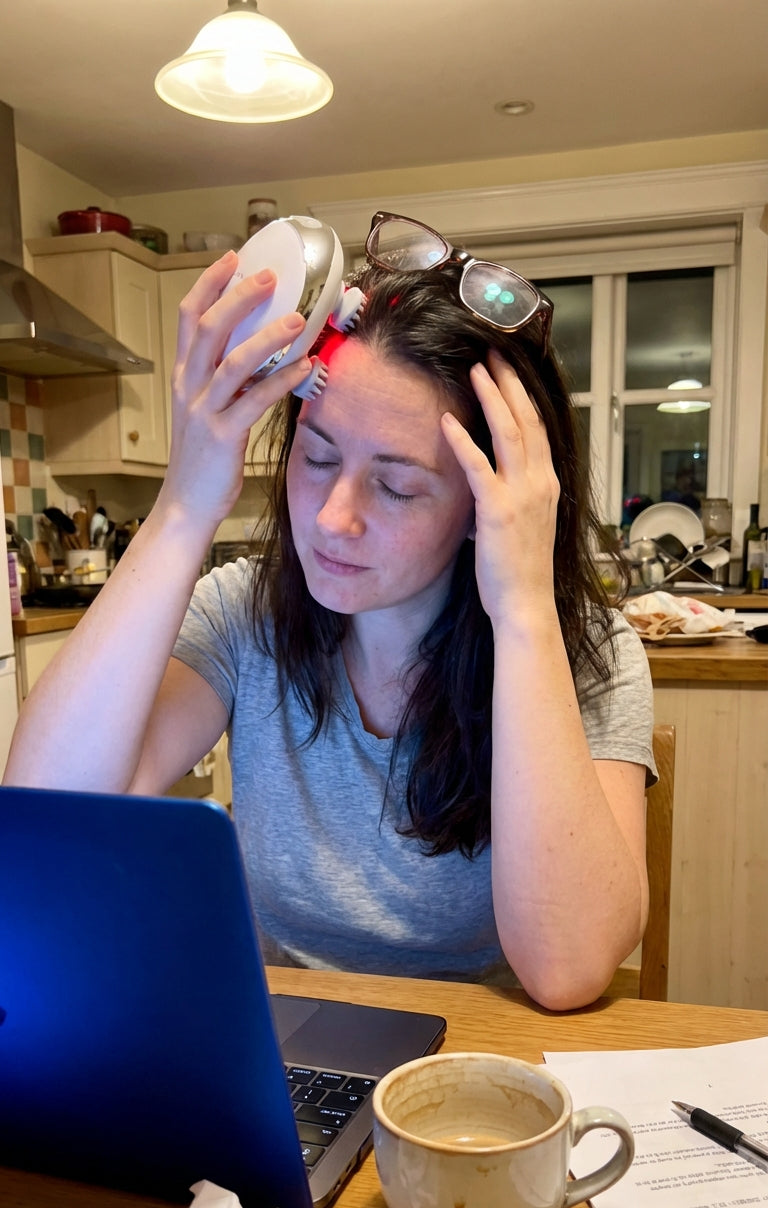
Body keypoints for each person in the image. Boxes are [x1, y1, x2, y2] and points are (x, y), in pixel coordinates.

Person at [3, 212, 655, 1010]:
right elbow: (50, 809)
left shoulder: (589, 651)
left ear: (489, 505)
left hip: (488, 1075)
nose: (331, 518)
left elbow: (569, 968)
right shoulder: (243, 616)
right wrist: (183, 507)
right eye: (316, 458)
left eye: (397, 485)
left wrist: (521, 610)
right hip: (284, 1061)